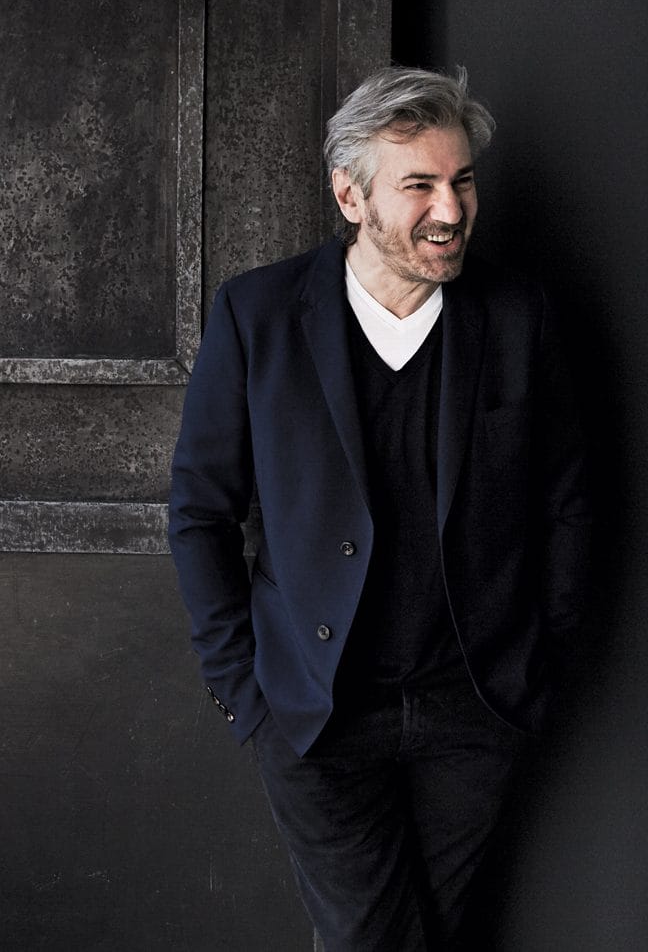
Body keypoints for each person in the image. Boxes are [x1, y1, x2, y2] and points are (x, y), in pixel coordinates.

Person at [169, 66, 590, 951]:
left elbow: (569, 502)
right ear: (348, 196)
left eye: (462, 180)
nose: (450, 209)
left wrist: (540, 658)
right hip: (314, 710)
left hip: (474, 706)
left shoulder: (518, 316)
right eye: (419, 186)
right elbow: (201, 510)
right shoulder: (259, 313)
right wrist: (242, 690)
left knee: (421, 935)